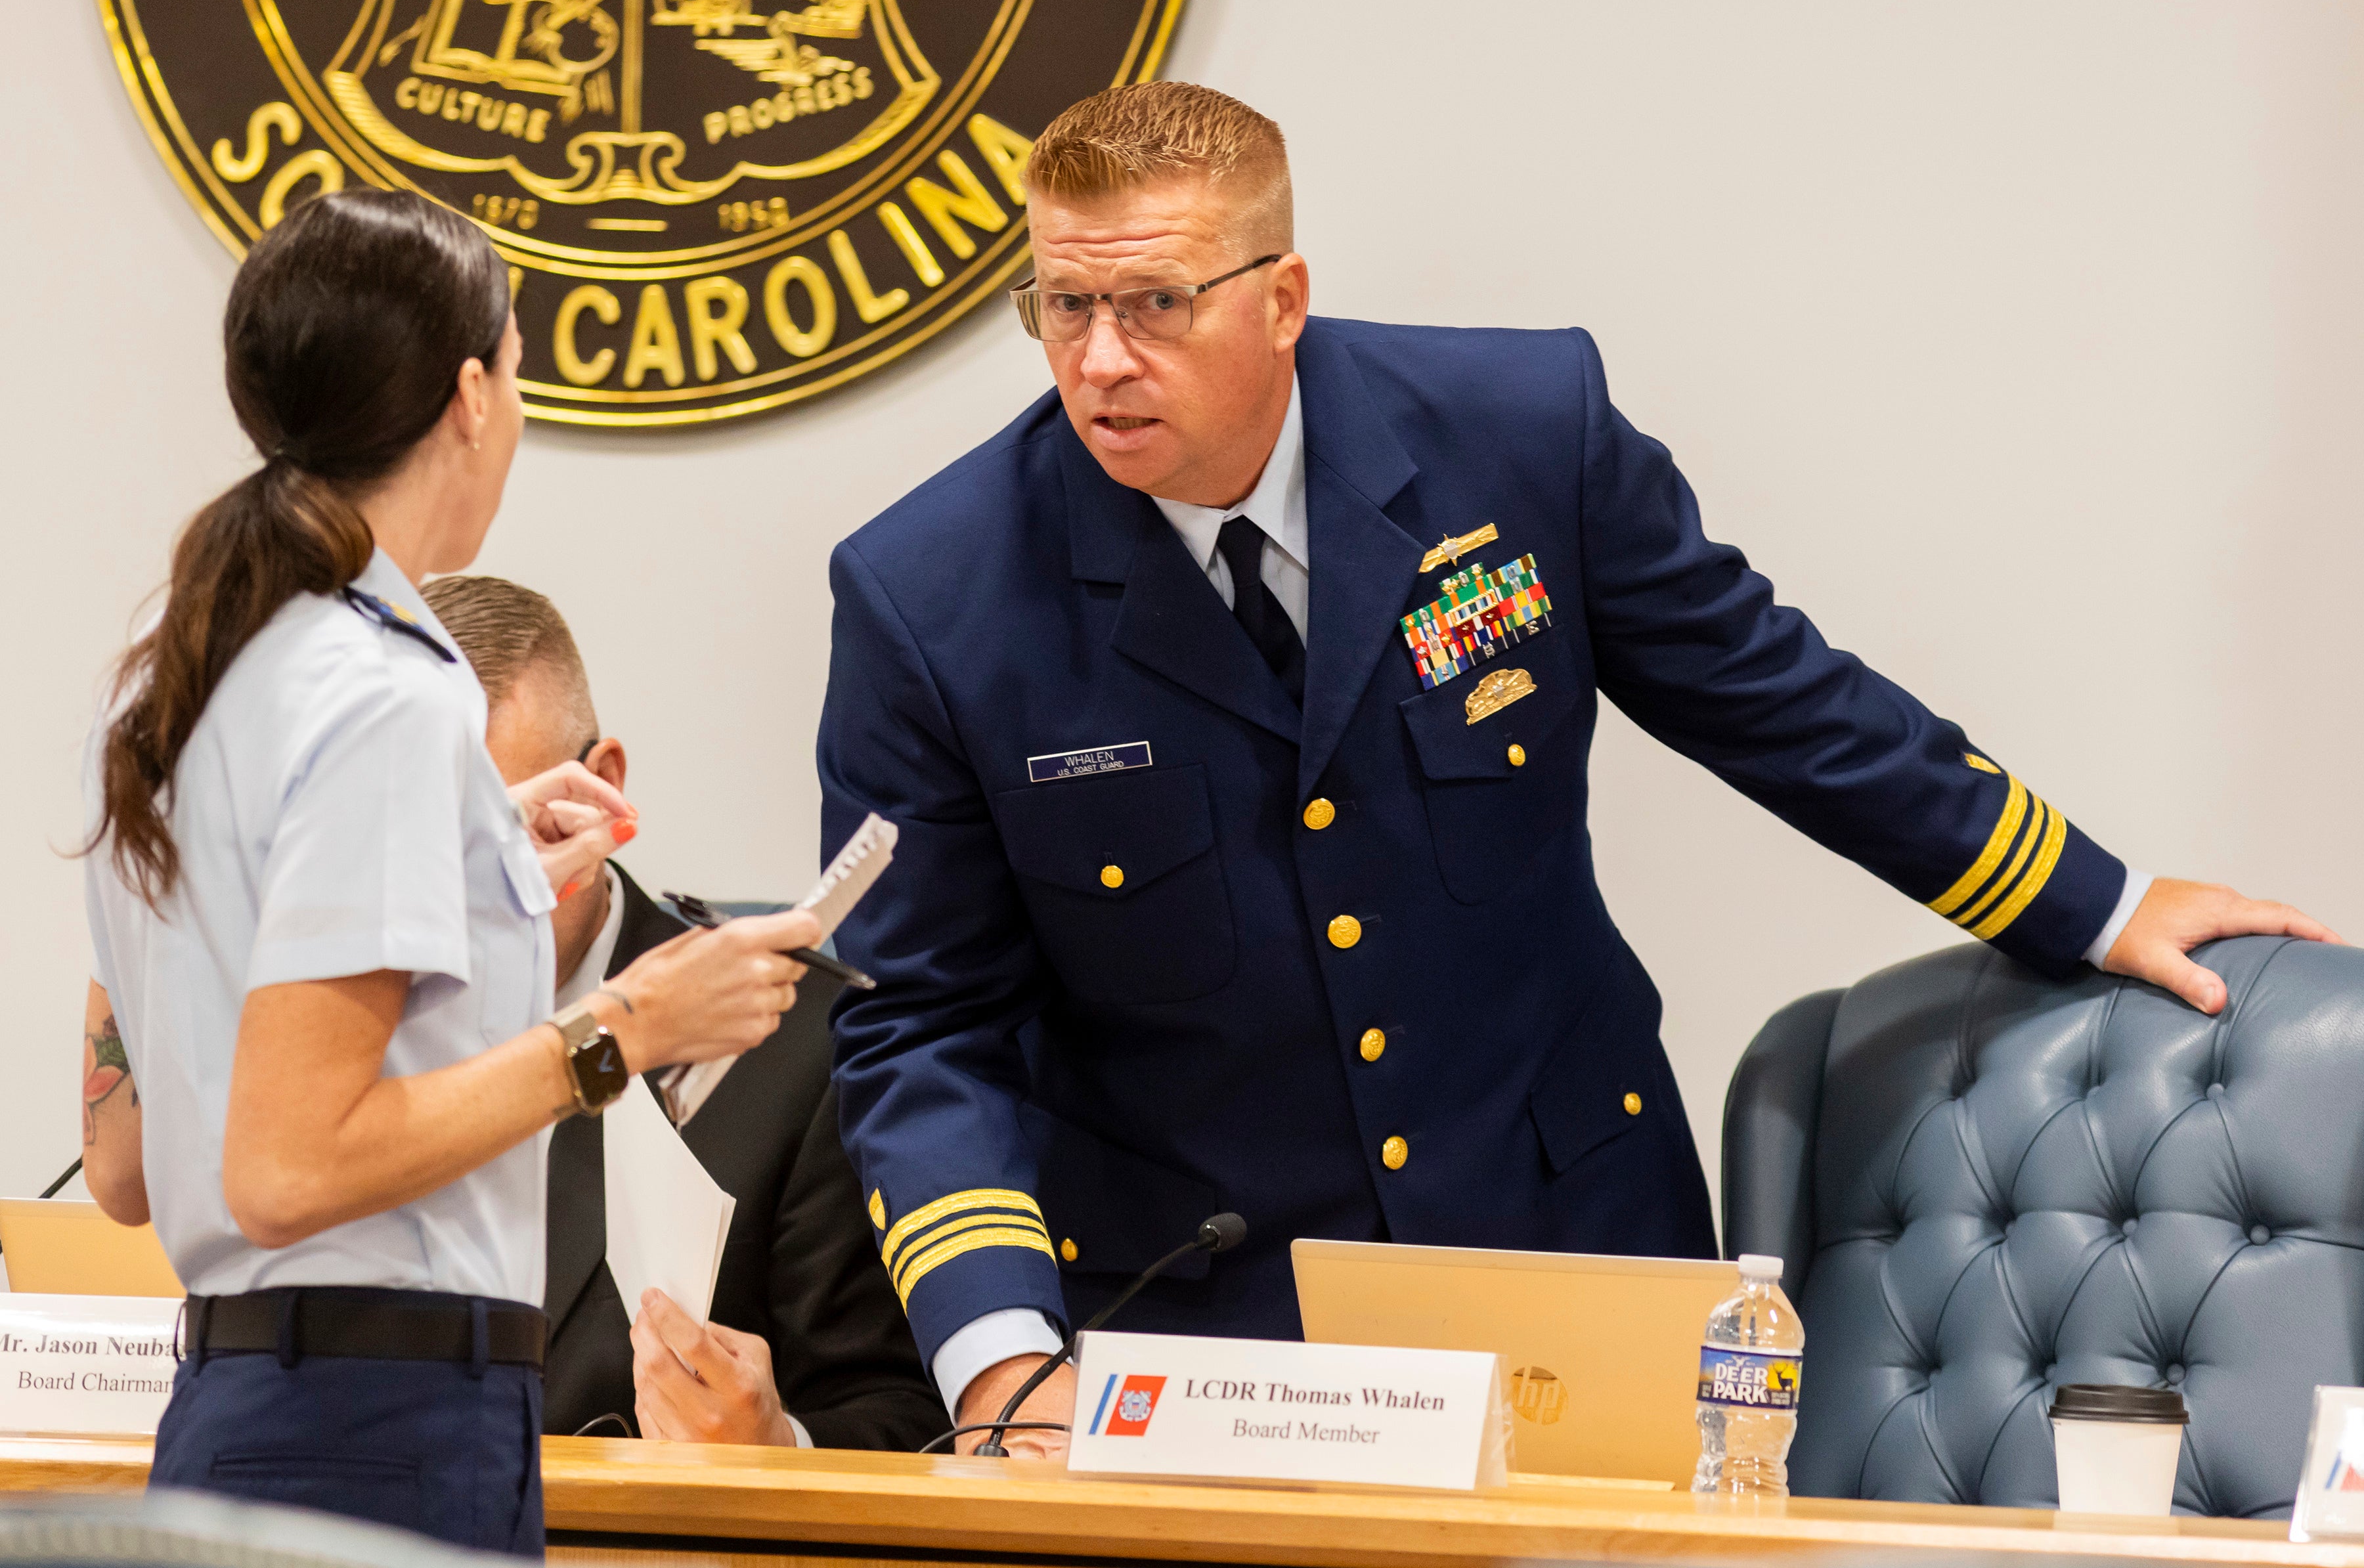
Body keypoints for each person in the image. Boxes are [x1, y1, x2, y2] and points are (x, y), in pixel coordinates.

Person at [814, 81, 2339, 1459]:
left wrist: (2094, 899)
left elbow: (1780, 701)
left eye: (1153, 301)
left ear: (1282, 298)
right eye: (1061, 305)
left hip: (1564, 1249)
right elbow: (925, 1023)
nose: (1100, 361)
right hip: (1213, 1320)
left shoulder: (1518, 436)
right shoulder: (934, 596)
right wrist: (1005, 1367)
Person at [76, 188, 820, 1553]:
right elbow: (293, 1167)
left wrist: (477, 854)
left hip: (239, 1395)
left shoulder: (178, 683)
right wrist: (624, 1028)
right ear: (473, 393)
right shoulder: (387, 693)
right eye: (522, 369)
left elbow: (124, 1165)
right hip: (386, 1427)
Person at [418, 574, 947, 1452]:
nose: (446, 896)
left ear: (599, 793)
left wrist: (774, 1441)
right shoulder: (348, 1031)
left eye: (488, 838)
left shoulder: (793, 1046)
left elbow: (906, 1422)